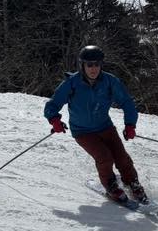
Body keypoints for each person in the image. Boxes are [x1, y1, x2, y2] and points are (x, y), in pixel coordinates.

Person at [43, 44, 149, 204]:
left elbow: (127, 102)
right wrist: (55, 120)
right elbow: (53, 104)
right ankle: (111, 184)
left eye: (97, 64)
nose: (93, 69)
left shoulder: (109, 81)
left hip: (105, 126)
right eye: (89, 65)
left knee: (121, 157)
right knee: (104, 157)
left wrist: (130, 125)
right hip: (82, 131)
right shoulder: (72, 83)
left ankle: (132, 182)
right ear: (82, 65)